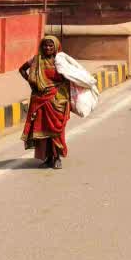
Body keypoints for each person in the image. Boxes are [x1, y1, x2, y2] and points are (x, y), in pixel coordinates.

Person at [18, 36, 91, 169]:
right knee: (42, 129)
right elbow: (22, 69)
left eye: (51, 46)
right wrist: (32, 82)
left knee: (56, 130)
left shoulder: (61, 61)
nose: (48, 48)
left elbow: (71, 77)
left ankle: (57, 158)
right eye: (45, 45)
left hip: (58, 100)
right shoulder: (36, 60)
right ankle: (47, 158)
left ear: (56, 47)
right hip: (40, 100)